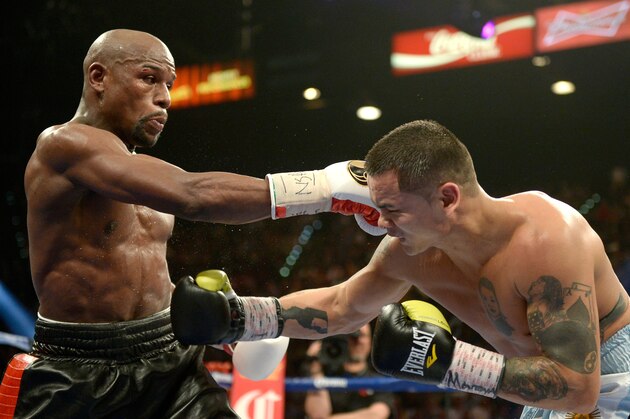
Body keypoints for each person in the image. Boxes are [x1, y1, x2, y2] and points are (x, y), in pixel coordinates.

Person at [0, 28, 382, 418]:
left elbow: (138, 273)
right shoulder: (62, 145)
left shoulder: (143, 172)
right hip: (79, 374)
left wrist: (230, 326)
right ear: (99, 77)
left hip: (170, 363)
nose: (165, 97)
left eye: (168, 84)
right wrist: (327, 187)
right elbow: (194, 196)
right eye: (149, 78)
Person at [172, 120, 630, 418]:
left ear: (448, 198)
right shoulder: (411, 250)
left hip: (608, 373)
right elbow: (342, 307)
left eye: (393, 209)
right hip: (542, 389)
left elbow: (579, 389)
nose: (379, 223)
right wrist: (241, 317)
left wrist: (451, 363)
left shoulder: (546, 240)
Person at [303, 323, 395, 419]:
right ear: (343, 340)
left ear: (371, 341)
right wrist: (315, 369)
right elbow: (317, 415)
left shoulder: (379, 382)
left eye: (363, 336)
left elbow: (376, 415)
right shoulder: (323, 375)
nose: (358, 341)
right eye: (353, 336)